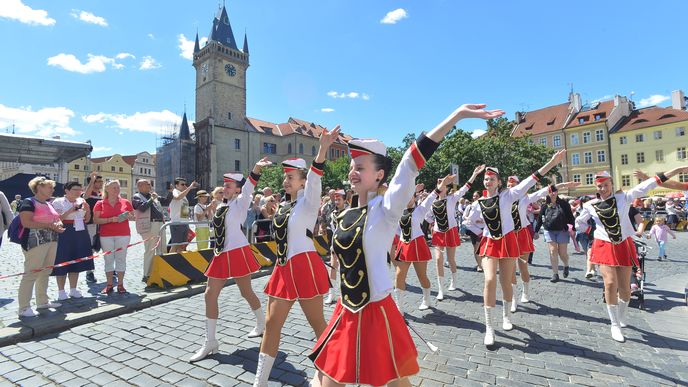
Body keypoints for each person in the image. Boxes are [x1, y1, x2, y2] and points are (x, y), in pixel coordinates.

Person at [308, 104, 504, 387]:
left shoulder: (385, 210)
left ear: (379, 175)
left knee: (391, 382)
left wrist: (456, 116)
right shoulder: (344, 213)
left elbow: (410, 163)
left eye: (360, 168)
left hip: (375, 312)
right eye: (352, 167)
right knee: (330, 379)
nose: (352, 172)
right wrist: (321, 154)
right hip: (346, 311)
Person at [253, 126, 340, 386]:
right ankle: (260, 382)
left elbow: (315, 179)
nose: (286, 180)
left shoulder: (309, 200)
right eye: (285, 176)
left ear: (303, 181)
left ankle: (328, 372)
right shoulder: (284, 205)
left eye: (292, 176)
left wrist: (323, 148)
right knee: (271, 325)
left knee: (318, 325)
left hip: (304, 267)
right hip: (282, 269)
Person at [575, 167, 686, 342]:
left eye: (605, 185)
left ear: (611, 184)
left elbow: (648, 185)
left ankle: (622, 314)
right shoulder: (590, 205)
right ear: (596, 187)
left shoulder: (624, 198)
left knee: (625, 288)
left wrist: (676, 170)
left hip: (623, 244)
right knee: (610, 283)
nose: (603, 188)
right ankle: (614, 324)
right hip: (603, 245)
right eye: (600, 186)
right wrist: (592, 231)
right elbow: (578, 222)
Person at [477, 150, 566, 346]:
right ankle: (489, 328)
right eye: (486, 179)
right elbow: (471, 220)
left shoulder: (509, 195)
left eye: (492, 179)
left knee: (506, 281)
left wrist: (551, 162)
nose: (488, 181)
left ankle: (506, 316)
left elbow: (532, 179)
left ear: (499, 182)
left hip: (507, 242)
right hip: (490, 242)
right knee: (489, 279)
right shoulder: (480, 202)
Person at [190, 158, 271, 362]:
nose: (224, 188)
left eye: (228, 185)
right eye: (224, 185)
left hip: (237, 252)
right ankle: (210, 341)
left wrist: (256, 168)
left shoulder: (241, 202)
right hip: (220, 253)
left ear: (236, 189)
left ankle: (262, 324)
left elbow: (250, 185)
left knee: (246, 292)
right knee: (209, 295)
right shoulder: (220, 206)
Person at [509, 178, 578, 310]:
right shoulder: (503, 199)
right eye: (509, 185)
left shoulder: (525, 199)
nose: (511, 188)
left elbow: (543, 191)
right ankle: (513, 299)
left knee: (523, 267)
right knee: (511, 268)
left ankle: (526, 291)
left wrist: (563, 184)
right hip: (509, 235)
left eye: (513, 185)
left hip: (522, 234)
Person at [429, 166, 483, 300]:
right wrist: (432, 224)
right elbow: (427, 216)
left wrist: (474, 174)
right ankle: (441, 289)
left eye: (443, 184)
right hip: (438, 232)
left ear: (446, 188)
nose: (441, 186)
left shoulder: (452, 199)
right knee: (438, 259)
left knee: (451, 259)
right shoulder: (432, 202)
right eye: (438, 183)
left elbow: (466, 187)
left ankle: (453, 280)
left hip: (451, 230)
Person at [17, 176, 65, 317]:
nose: (52, 189)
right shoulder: (28, 202)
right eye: (49, 187)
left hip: (51, 241)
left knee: (45, 272)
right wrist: (49, 225)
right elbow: (26, 222)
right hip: (35, 242)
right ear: (39, 188)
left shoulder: (48, 203)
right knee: (31, 273)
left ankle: (42, 301)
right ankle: (24, 307)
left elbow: (56, 219)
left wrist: (58, 225)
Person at [393, 182, 437, 311]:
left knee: (422, 276)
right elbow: (396, 230)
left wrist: (441, 185)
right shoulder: (399, 212)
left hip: (417, 245)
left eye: (409, 196)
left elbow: (432, 197)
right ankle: (399, 307)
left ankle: (426, 299)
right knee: (399, 275)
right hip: (404, 245)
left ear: (414, 197)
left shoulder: (420, 209)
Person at [51, 182, 94, 300]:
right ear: (67, 190)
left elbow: (87, 219)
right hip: (65, 231)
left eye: (80, 190)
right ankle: (61, 291)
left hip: (80, 230)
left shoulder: (82, 201)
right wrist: (71, 210)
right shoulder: (58, 202)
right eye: (75, 189)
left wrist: (88, 210)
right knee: (62, 259)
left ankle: (73, 289)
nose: (78, 192)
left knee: (77, 259)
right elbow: (57, 218)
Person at [93, 180, 135, 295]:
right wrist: (110, 220)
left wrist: (128, 215)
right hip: (106, 235)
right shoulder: (100, 203)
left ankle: (120, 284)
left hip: (123, 234)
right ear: (107, 189)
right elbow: (95, 220)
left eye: (118, 187)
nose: (116, 190)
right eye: (113, 188)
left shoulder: (125, 202)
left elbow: (134, 217)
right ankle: (109, 284)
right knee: (108, 260)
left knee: (121, 259)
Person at [132, 179, 172, 282]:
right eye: (148, 184)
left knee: (162, 248)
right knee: (150, 249)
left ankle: (161, 271)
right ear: (140, 186)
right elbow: (142, 208)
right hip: (149, 225)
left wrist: (170, 192)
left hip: (159, 224)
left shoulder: (152, 196)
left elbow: (166, 201)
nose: (150, 186)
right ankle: (147, 274)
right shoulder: (137, 197)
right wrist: (152, 199)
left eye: (150, 184)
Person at [536, 185, 576, 282]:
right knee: (553, 251)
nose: (553, 193)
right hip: (549, 230)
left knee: (562, 253)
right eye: (551, 191)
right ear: (548, 193)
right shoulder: (545, 206)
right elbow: (540, 219)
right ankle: (555, 274)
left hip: (562, 230)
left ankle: (566, 265)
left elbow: (571, 217)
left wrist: (573, 229)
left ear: (557, 192)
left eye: (554, 191)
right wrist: (536, 231)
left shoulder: (564, 204)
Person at [324, 189, 349, 305]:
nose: (337, 202)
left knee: (347, 269)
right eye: (335, 200)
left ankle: (347, 293)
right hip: (336, 244)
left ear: (345, 200)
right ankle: (331, 294)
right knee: (332, 267)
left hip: (348, 245)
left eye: (339, 199)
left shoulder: (350, 212)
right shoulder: (333, 213)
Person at [169, 177, 199, 253]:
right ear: (176, 185)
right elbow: (178, 197)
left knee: (182, 245)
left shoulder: (184, 195)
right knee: (175, 245)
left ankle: (178, 262)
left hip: (184, 222)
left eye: (185, 184)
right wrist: (189, 187)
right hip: (177, 223)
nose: (184, 186)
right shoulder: (175, 191)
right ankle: (169, 262)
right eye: (182, 184)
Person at [83, 172, 103, 284]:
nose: (101, 183)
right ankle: (89, 272)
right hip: (90, 224)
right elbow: (86, 196)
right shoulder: (87, 193)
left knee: (105, 246)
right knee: (90, 248)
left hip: (102, 224)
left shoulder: (101, 194)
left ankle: (111, 269)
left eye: (101, 181)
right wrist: (91, 180)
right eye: (98, 181)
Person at [462, 190, 485, 271]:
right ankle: (479, 265)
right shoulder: (470, 206)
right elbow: (464, 216)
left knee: (481, 247)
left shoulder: (484, 205)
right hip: (473, 229)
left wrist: (482, 220)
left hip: (482, 229)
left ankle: (482, 264)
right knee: (476, 247)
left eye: (477, 196)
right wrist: (469, 219)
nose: (475, 197)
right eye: (474, 196)